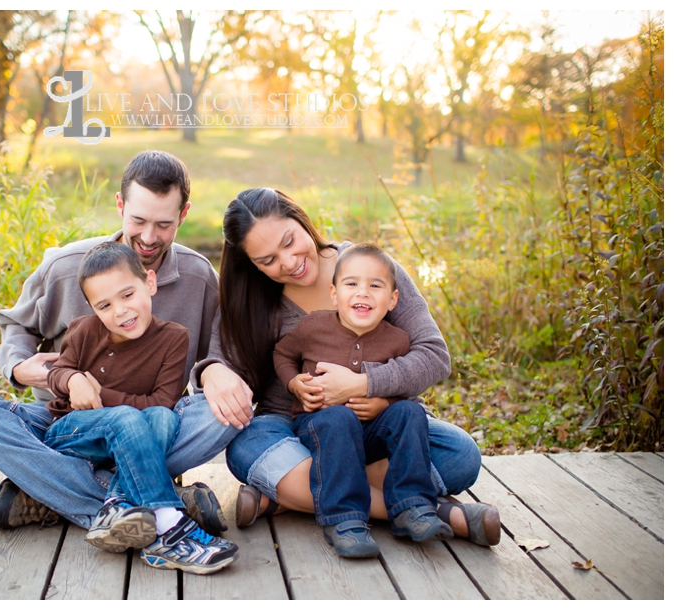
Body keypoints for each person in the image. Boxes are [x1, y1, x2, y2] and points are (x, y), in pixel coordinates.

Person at [191, 187, 501, 549]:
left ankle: (287, 498)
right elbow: (220, 362)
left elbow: (434, 355)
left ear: (300, 218)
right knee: (245, 446)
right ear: (252, 264)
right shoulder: (254, 299)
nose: (289, 262)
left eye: (290, 241)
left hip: (376, 427)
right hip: (294, 431)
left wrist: (363, 384)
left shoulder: (368, 268)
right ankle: (423, 510)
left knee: (460, 455)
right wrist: (211, 370)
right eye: (268, 260)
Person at [0, 151, 236, 536]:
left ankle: (54, 495)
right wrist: (19, 366)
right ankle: (156, 503)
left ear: (183, 215)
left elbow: (220, 350)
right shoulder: (67, 266)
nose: (149, 237)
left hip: (155, 426)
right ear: (120, 205)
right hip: (66, 426)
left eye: (164, 224)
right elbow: (17, 325)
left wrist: (215, 370)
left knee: (231, 410)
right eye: (138, 220)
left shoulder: (198, 277)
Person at [41, 241, 237, 574]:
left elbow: (163, 401)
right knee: (129, 417)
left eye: (127, 295)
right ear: (91, 307)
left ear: (149, 283)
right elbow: (59, 370)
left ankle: (119, 505)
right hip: (73, 432)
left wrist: (101, 391)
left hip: (132, 437)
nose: (119, 311)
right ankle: (169, 525)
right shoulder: (84, 330)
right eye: (104, 305)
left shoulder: (174, 338)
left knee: (161, 415)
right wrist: (72, 381)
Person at [272, 242, 452, 557]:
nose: (363, 293)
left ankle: (413, 507)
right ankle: (344, 519)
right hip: (319, 422)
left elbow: (403, 387)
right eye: (352, 284)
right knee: (339, 419)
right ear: (334, 294)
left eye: (375, 286)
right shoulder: (313, 326)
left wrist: (385, 403)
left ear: (393, 299)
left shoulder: (397, 340)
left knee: (410, 412)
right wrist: (294, 383)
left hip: (369, 431)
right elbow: (282, 353)